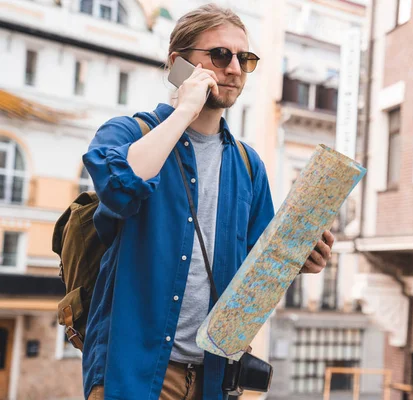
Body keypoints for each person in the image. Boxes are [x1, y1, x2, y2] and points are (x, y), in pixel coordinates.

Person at [81, 4, 334, 400]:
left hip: (213, 378)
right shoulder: (128, 133)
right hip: (135, 372)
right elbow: (121, 188)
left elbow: (256, 271)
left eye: (244, 58)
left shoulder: (249, 165)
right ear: (179, 64)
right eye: (219, 55)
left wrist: (300, 262)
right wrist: (184, 110)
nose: (234, 68)